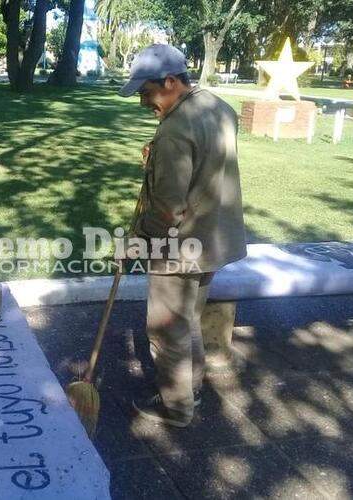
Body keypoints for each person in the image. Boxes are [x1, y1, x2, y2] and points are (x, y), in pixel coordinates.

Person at [118, 44, 247, 427]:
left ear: (171, 82)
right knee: (188, 319)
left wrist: (137, 241)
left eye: (146, 92)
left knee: (165, 329)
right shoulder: (218, 107)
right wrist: (157, 160)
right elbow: (204, 164)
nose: (143, 102)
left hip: (181, 245)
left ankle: (176, 407)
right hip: (215, 240)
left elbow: (166, 210)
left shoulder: (174, 131)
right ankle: (192, 387)